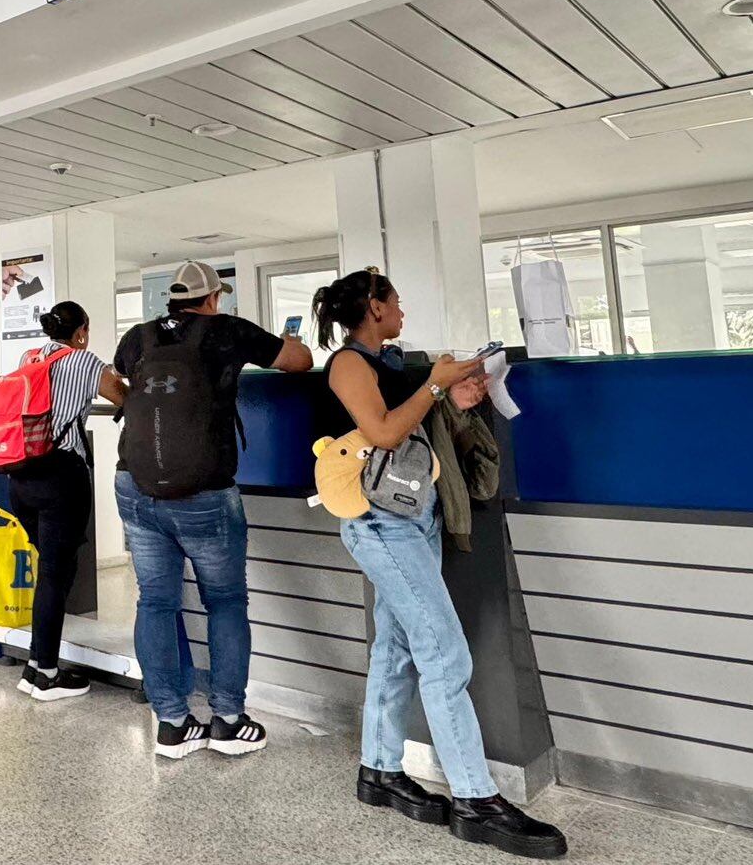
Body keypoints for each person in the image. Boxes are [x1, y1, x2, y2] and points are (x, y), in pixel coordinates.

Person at [314, 269, 566, 858]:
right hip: (379, 524)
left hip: (412, 515)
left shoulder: (392, 362)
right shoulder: (349, 363)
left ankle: (378, 771)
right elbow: (379, 431)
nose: (402, 309)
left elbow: (412, 424)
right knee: (445, 652)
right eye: (395, 301)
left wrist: (453, 395)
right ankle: (476, 798)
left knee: (398, 648)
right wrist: (434, 384)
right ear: (374, 307)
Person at [112, 259, 313, 759]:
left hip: (134, 486)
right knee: (224, 602)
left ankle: (172, 724)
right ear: (214, 297)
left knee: (155, 602)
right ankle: (227, 719)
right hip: (205, 493)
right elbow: (300, 362)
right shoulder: (229, 331)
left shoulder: (138, 336)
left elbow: (115, 380)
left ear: (172, 300)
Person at [5, 300, 126, 702]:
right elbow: (121, 396)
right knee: (56, 577)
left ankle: (34, 666)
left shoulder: (29, 357)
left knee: (49, 571)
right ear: (82, 332)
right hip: (60, 475)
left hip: (21, 476)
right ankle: (46, 674)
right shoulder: (83, 360)